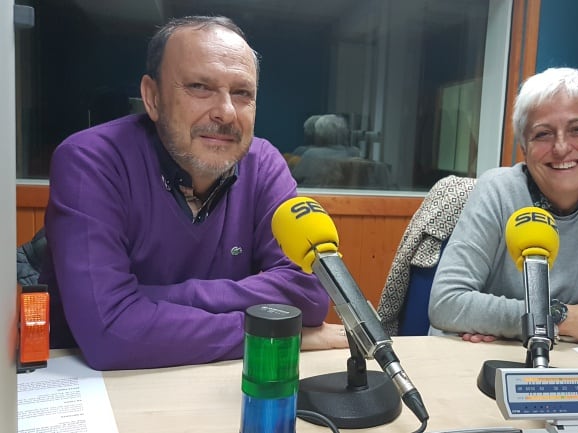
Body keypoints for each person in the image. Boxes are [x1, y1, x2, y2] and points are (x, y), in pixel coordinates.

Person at [39, 16, 347, 371]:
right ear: (152, 98)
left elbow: (308, 296)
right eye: (200, 87)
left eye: (242, 93)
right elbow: (111, 335)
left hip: (220, 380)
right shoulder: (91, 160)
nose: (226, 112)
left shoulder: (263, 163)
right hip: (102, 389)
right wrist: (271, 332)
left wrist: (149, 299)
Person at [427, 67, 578, 347]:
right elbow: (447, 303)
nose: (561, 148)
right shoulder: (498, 190)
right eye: (543, 134)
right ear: (524, 145)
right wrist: (566, 318)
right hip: (491, 359)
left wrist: (507, 321)